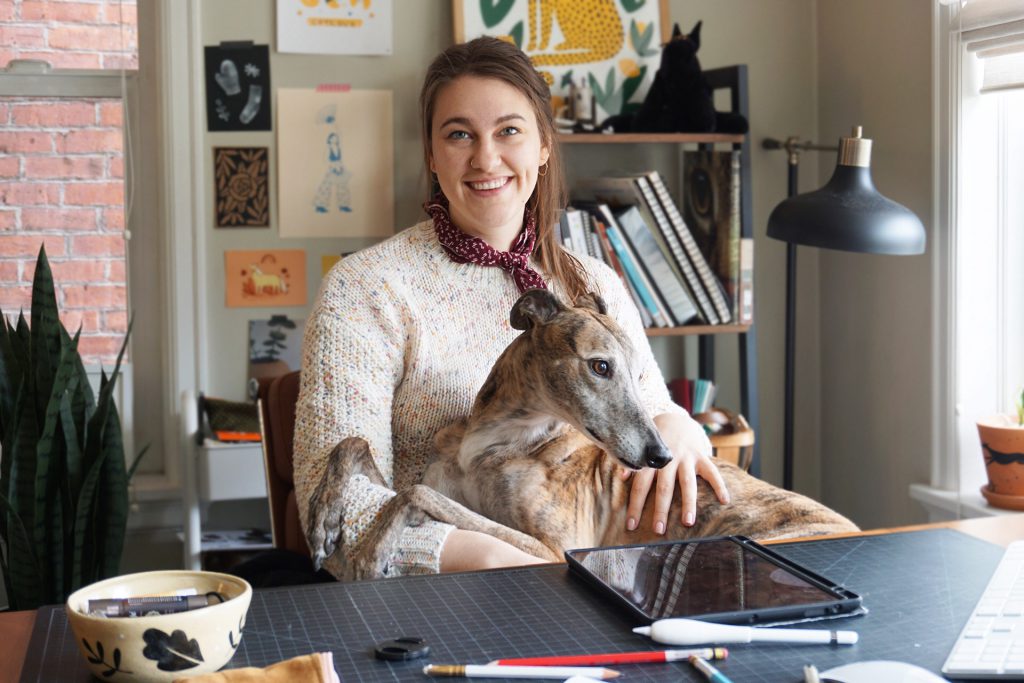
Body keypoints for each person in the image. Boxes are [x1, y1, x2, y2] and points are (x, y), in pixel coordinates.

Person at [292, 36, 729, 580]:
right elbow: (337, 511)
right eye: (459, 135)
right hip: (438, 593)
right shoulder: (366, 289)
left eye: (509, 131)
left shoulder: (593, 284)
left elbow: (651, 410)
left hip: (603, 572)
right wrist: (508, 562)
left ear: (544, 146)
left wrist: (683, 429)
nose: (485, 158)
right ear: (431, 153)